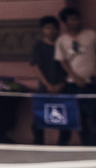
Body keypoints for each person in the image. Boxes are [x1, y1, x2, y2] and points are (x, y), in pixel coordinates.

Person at [57, 6, 96, 145]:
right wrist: (74, 77)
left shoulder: (91, 35)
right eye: (72, 19)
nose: (76, 22)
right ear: (65, 22)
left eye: (77, 19)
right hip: (73, 84)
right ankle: (85, 144)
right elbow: (62, 61)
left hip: (92, 82)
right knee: (79, 117)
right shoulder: (62, 40)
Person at [28, 14, 68, 145]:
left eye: (53, 28)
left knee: (65, 118)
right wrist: (47, 84)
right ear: (43, 30)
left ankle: (62, 146)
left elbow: (69, 66)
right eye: (47, 28)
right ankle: (39, 145)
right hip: (44, 87)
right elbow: (36, 66)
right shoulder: (38, 46)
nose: (51, 31)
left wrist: (62, 83)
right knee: (40, 118)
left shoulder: (62, 44)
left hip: (63, 87)